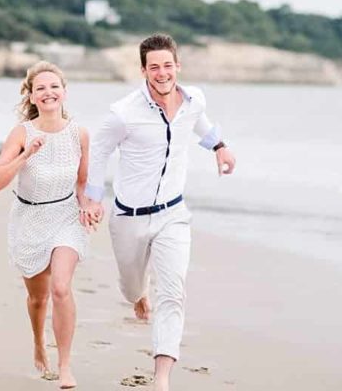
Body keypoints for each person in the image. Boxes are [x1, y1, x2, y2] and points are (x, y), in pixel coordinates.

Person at [82, 33, 236, 391]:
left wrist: (220, 147)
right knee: (131, 287)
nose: (163, 73)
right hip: (128, 217)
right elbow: (100, 150)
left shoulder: (194, 98)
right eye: (155, 67)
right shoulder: (123, 113)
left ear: (177, 66)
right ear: (143, 71)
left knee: (174, 293)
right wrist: (92, 198)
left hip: (173, 214)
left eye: (168, 65)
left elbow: (200, 122)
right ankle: (138, 295)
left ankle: (161, 378)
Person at [0, 61, 91, 390]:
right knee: (38, 299)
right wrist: (25, 155)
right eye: (41, 88)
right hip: (29, 218)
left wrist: (90, 205)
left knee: (61, 288)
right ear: (32, 96)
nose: (48, 93)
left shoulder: (80, 133)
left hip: (65, 217)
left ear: (64, 92)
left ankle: (64, 366)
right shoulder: (22, 133)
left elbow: (83, 184)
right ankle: (37, 341)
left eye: (54, 87)